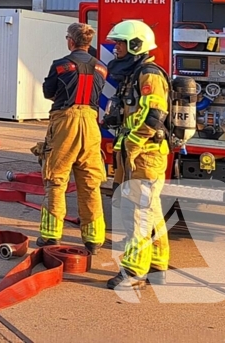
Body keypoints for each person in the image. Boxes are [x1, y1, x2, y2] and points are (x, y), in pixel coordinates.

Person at [103, 19, 170, 289]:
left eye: (120, 43)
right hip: (137, 155)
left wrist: (132, 142)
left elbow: (154, 115)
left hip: (145, 155)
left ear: (135, 44)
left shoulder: (149, 75)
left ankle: (133, 272)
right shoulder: (135, 74)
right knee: (151, 211)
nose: (115, 48)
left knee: (137, 215)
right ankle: (156, 266)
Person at [37, 23, 107, 255]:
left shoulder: (60, 66)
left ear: (70, 41)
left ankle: (50, 236)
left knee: (56, 179)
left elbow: (49, 92)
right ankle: (94, 239)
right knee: (90, 181)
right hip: (91, 122)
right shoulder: (101, 67)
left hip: (65, 121)